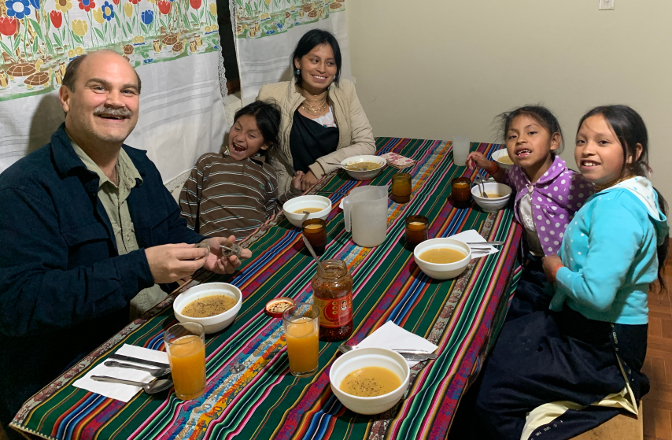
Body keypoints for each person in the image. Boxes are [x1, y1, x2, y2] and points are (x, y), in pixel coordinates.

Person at [0, 50, 251, 436]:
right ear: (66, 98)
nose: (116, 101)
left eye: (128, 91)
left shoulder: (139, 165)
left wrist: (205, 249)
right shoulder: (24, 189)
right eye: (99, 88)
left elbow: (172, 235)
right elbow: (18, 304)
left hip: (151, 337)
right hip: (70, 378)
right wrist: (142, 268)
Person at [463, 105, 669, 440]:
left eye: (603, 142)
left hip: (605, 345)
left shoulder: (616, 209)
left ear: (634, 151)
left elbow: (598, 295)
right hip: (580, 318)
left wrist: (555, 268)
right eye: (583, 140)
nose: (588, 150)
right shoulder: (619, 191)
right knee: (496, 346)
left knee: (492, 395)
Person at [466, 105, 593, 320]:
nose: (521, 140)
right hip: (533, 262)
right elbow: (509, 180)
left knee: (560, 315)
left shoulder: (570, 183)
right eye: (512, 136)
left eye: (531, 132)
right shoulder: (520, 173)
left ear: (554, 141)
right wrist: (489, 166)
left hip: (564, 267)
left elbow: (598, 214)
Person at [257, 28, 376, 195]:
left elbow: (366, 144)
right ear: (298, 62)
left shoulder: (345, 91)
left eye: (330, 63)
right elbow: (257, 153)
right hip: (292, 193)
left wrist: (320, 167)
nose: (322, 69)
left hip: (338, 185)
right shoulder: (272, 96)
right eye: (314, 60)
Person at [180, 100, 291, 240]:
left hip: (254, 245)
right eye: (237, 128)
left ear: (265, 144)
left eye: (251, 135)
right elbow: (188, 207)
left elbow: (271, 217)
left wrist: (294, 192)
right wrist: (188, 243)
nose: (239, 138)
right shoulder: (208, 162)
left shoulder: (267, 172)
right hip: (215, 247)